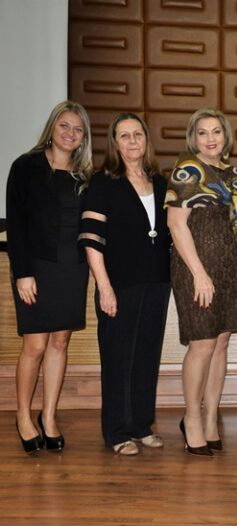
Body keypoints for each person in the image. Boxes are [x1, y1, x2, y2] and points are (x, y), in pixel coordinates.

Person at [79, 113, 171, 456]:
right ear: (114, 143)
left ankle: (141, 425)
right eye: (124, 136)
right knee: (118, 359)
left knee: (147, 356)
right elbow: (91, 240)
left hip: (157, 284)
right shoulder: (103, 183)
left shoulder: (160, 183)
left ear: (146, 140)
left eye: (138, 135)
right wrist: (104, 287)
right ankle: (117, 431)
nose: (132, 142)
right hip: (118, 284)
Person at [6, 101, 93, 453]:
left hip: (72, 269)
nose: (71, 134)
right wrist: (23, 272)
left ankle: (50, 416)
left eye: (78, 129)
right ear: (52, 128)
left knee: (60, 343)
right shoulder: (25, 166)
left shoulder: (84, 176)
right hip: (36, 268)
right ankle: (23, 416)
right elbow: (16, 223)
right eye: (65, 126)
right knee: (36, 345)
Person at [166, 108, 237, 456]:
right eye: (203, 133)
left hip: (229, 265)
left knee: (221, 343)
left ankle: (212, 417)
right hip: (195, 268)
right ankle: (192, 419)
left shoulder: (231, 173)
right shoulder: (188, 170)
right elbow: (176, 224)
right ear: (193, 137)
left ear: (225, 136)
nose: (211, 138)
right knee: (201, 344)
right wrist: (199, 273)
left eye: (217, 132)